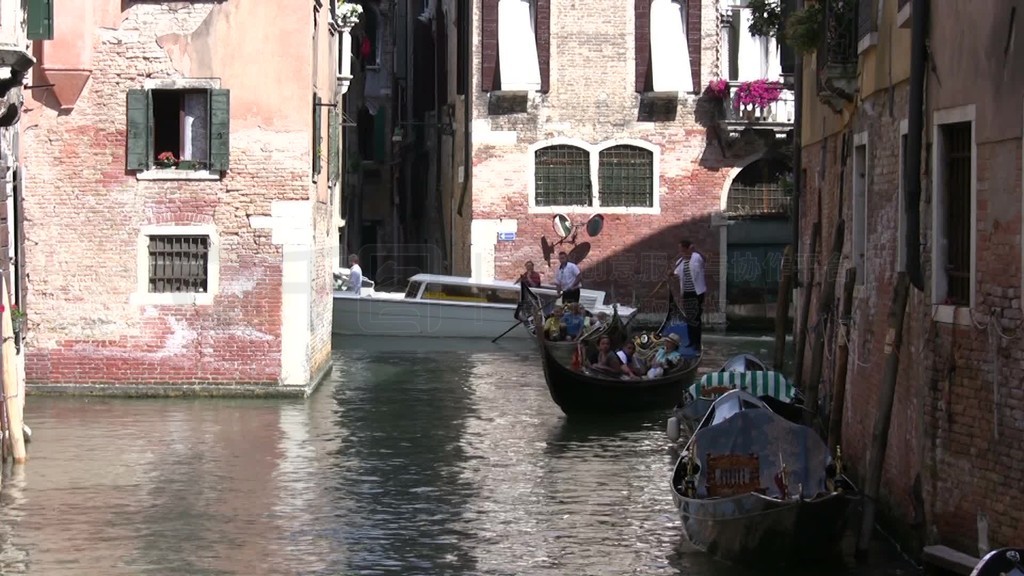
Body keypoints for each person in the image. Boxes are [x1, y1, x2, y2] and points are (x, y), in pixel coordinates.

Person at [669, 239, 706, 350]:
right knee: (689, 318)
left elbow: (703, 261)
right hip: (686, 293)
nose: (680, 250)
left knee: (696, 318)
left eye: (681, 248)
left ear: (687, 248)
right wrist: (671, 274)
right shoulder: (680, 261)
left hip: (697, 293)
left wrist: (694, 251)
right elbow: (677, 274)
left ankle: (697, 343)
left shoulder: (697, 257)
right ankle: (691, 341)